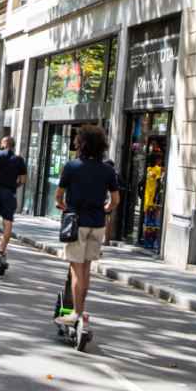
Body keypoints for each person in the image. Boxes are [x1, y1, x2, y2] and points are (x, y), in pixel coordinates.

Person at [53, 125, 120, 334]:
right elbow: (115, 200)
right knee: (87, 269)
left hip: (77, 223)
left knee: (76, 269)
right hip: (97, 224)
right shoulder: (108, 170)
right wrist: (104, 209)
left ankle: (77, 314)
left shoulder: (72, 167)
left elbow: (58, 196)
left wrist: (64, 207)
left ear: (80, 144)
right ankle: (82, 313)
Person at [0, 136, 27, 270]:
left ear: (3, 144)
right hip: (9, 193)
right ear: (13, 146)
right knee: (8, 222)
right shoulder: (19, 159)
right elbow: (23, 180)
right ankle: (2, 251)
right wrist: (13, 186)